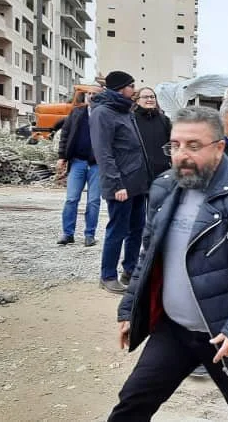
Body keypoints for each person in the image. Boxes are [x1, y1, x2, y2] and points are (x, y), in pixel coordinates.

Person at [111, 106, 228, 421]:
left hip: (225, 333)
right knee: (131, 405)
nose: (180, 155)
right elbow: (148, 256)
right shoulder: (164, 187)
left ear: (219, 148)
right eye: (174, 146)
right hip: (173, 330)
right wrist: (129, 309)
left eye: (193, 146)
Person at [90, 71, 151, 294]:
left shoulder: (125, 110)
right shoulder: (103, 113)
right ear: (120, 88)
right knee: (117, 230)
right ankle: (107, 276)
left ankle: (131, 270)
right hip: (121, 186)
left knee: (137, 229)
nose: (134, 90)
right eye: (131, 86)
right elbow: (103, 153)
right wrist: (116, 185)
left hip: (137, 182)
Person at [56, 86, 103, 247]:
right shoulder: (76, 113)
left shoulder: (105, 115)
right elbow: (65, 134)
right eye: (89, 94)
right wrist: (62, 157)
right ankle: (67, 234)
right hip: (77, 162)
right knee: (71, 199)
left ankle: (90, 235)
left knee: (94, 201)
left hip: (97, 165)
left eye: (95, 94)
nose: (91, 96)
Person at [133, 87, 172, 183]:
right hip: (138, 171)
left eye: (152, 97)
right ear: (137, 101)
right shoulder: (131, 119)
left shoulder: (164, 120)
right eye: (145, 97)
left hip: (162, 171)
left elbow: (171, 142)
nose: (150, 99)